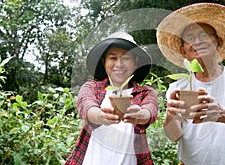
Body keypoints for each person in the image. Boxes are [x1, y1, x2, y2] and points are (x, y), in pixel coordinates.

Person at [156, 3, 225, 165]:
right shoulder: (178, 88)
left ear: (218, 43)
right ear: (183, 51)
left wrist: (223, 114)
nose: (197, 41)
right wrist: (170, 117)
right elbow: (174, 137)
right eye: (190, 38)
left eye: (204, 35)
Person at [65, 31, 158, 165]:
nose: (119, 64)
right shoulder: (92, 87)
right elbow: (86, 105)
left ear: (135, 62)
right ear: (104, 62)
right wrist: (100, 116)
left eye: (126, 58)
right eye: (113, 58)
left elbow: (150, 110)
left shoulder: (145, 93)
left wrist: (140, 115)